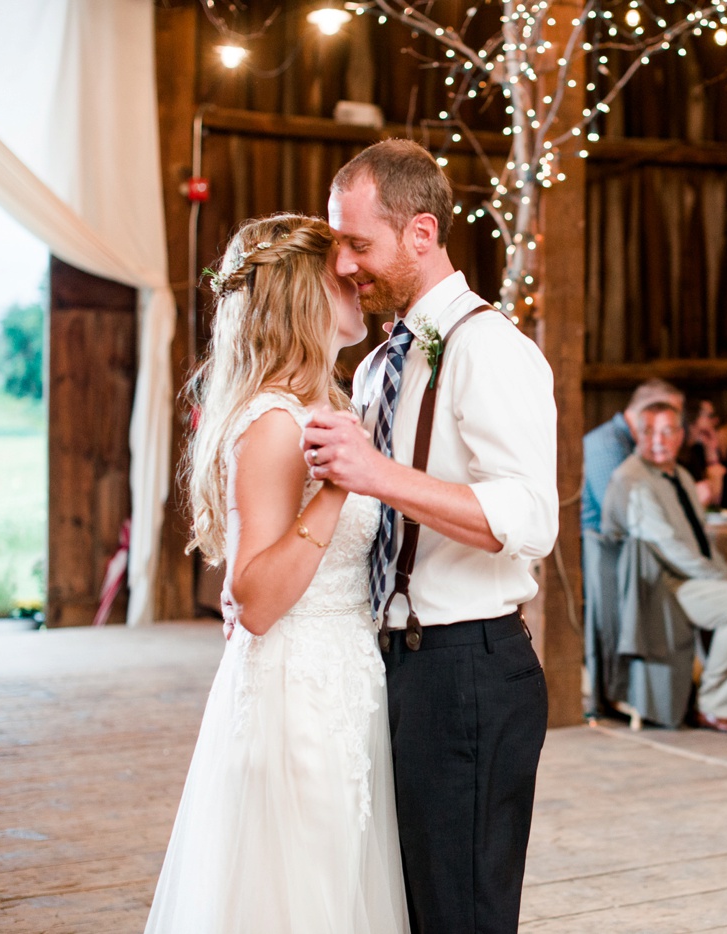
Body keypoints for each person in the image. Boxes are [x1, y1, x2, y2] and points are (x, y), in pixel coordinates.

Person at [304, 140, 557, 933]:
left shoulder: (492, 349)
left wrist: (377, 473)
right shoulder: (381, 363)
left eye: (357, 243)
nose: (343, 265)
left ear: (421, 233)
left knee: (462, 917)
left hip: (469, 672)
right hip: (389, 667)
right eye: (337, 243)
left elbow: (529, 519)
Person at [145, 215, 408, 932]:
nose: (359, 281)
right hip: (299, 689)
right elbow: (254, 599)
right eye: (342, 273)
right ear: (302, 295)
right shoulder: (273, 422)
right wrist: (338, 489)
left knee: (340, 882)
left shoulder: (331, 402)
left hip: (347, 673)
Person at [602, 402, 727, 733]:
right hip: (657, 585)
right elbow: (669, 547)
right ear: (637, 434)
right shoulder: (631, 479)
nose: (658, 440)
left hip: (685, 577)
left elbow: (700, 539)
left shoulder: (680, 476)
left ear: (681, 435)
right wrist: (721, 577)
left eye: (667, 431)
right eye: (649, 431)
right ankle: (714, 705)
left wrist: (725, 573)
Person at [581, 379, 684, 532]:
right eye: (665, 412)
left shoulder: (635, 443)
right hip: (605, 548)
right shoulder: (607, 445)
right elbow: (625, 514)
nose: (675, 422)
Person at [680, 398, 727, 507]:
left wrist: (711, 451)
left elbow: (715, 499)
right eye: (710, 416)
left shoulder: (698, 451)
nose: (715, 421)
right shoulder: (676, 454)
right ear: (692, 417)